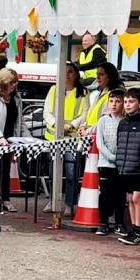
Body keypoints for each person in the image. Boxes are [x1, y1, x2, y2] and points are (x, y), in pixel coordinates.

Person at [0, 68, 32, 213]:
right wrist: (0, 137)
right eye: (11, 83)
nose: (14, 86)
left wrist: (27, 139)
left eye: (15, 83)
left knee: (6, 170)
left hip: (10, 138)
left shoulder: (16, 98)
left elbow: (19, 120)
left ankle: (5, 199)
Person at [42, 61, 87, 215]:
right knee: (52, 171)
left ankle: (70, 203)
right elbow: (47, 112)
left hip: (72, 138)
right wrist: (57, 124)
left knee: (71, 171)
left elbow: (84, 113)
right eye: (64, 71)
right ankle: (53, 200)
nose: (67, 75)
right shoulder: (54, 89)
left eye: (70, 72)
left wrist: (71, 125)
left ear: (76, 75)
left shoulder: (83, 93)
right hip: (53, 137)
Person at [95, 89, 126, 236]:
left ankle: (119, 223)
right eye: (111, 101)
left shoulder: (125, 122)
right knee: (105, 194)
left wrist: (119, 158)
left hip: (121, 165)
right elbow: (100, 144)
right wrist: (111, 157)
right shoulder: (102, 121)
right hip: (105, 164)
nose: (114, 104)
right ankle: (103, 222)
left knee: (120, 194)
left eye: (118, 101)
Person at [116, 88, 140, 246]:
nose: (127, 104)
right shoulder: (123, 123)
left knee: (137, 198)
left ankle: (139, 231)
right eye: (125, 101)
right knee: (130, 199)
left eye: (131, 101)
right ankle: (133, 229)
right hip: (125, 167)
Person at [81, 62, 125, 135]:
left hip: (102, 136)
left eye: (101, 74)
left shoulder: (115, 95)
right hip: (92, 135)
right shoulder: (99, 94)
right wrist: (84, 126)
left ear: (110, 76)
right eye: (97, 74)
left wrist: (87, 131)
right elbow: (90, 115)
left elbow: (106, 120)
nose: (97, 77)